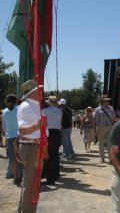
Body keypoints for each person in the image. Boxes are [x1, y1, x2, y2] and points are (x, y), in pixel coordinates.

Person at [17, 80, 48, 213]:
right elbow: (22, 130)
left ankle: (23, 210)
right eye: (39, 90)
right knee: (32, 185)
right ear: (33, 93)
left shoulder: (34, 105)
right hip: (31, 147)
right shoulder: (26, 106)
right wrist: (36, 126)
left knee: (30, 183)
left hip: (35, 146)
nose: (41, 92)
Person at [2, 94, 23, 185]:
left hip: (10, 138)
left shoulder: (4, 112)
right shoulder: (20, 109)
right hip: (20, 137)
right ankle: (22, 175)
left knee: (12, 159)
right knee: (21, 157)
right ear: (16, 101)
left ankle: (15, 177)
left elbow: (4, 127)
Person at [43, 96, 62, 185]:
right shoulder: (59, 111)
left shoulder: (44, 111)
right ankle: (56, 174)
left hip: (48, 133)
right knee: (55, 154)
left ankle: (50, 178)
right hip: (57, 133)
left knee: (48, 155)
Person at [94, 95, 116, 163]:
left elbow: (113, 118)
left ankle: (110, 158)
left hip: (110, 127)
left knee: (110, 143)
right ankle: (102, 157)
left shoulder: (111, 108)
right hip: (101, 127)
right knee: (101, 143)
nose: (107, 102)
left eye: (108, 101)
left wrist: (113, 126)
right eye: (106, 101)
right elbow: (95, 119)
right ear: (102, 101)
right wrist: (95, 130)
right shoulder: (97, 109)